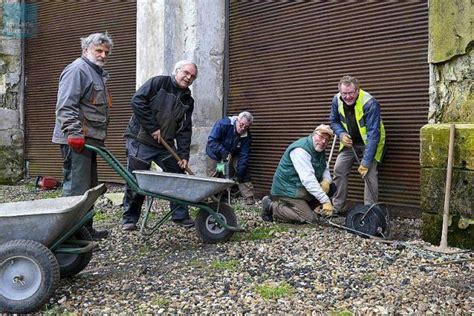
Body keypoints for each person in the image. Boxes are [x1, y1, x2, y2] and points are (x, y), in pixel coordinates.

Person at [121, 60, 198, 231]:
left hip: (165, 144)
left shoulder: (188, 100)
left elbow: (185, 130)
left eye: (192, 76)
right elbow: (137, 101)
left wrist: (184, 156)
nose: (188, 77)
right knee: (137, 179)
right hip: (140, 139)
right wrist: (152, 127)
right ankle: (129, 219)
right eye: (186, 73)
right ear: (177, 71)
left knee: (178, 173)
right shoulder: (159, 83)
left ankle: (180, 216)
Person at [52, 32, 114, 240]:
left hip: (91, 140)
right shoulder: (77, 70)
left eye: (106, 52)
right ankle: (68, 236)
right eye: (98, 50)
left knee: (89, 187)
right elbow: (66, 105)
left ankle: (85, 230)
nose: (103, 55)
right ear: (86, 49)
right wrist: (73, 132)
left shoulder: (96, 73)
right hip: (77, 139)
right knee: (76, 189)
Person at [329, 76, 386, 214]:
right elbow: (334, 121)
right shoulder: (337, 100)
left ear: (357, 90)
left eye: (351, 93)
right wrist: (341, 134)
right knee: (339, 170)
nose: (347, 97)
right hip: (350, 142)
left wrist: (365, 162)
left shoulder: (370, 103)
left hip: (370, 143)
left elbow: (373, 135)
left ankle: (369, 211)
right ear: (340, 92)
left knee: (369, 174)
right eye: (344, 93)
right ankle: (338, 207)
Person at [261, 124, 336, 223]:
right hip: (288, 189)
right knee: (309, 219)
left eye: (327, 140)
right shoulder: (301, 150)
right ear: (314, 134)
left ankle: (303, 208)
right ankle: (271, 207)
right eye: (321, 137)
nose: (323, 142)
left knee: (331, 187)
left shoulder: (319, 150)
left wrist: (326, 180)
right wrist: (325, 201)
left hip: (300, 188)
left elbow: (324, 168)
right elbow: (308, 180)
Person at [206, 111, 255, 205]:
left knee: (242, 168)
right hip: (215, 153)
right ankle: (212, 196)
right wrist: (223, 152)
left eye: (246, 127)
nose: (243, 128)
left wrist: (240, 170)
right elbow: (212, 141)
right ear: (237, 120)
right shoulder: (224, 124)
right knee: (217, 172)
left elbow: (244, 154)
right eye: (242, 125)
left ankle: (248, 196)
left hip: (233, 153)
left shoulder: (246, 136)